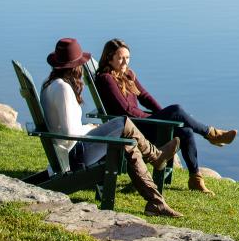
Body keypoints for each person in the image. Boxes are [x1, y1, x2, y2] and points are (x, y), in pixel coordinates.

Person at [40, 38, 182, 217]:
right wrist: (89, 129)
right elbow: (70, 134)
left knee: (127, 143)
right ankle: (155, 156)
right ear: (75, 66)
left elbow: (64, 127)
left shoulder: (49, 83)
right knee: (123, 123)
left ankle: (155, 202)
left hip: (66, 152)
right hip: (74, 157)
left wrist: (88, 126)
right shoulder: (63, 89)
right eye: (80, 65)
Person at [95, 38, 236, 196]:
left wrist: (165, 117)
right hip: (132, 128)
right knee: (176, 109)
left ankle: (195, 179)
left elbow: (145, 97)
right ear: (109, 57)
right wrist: (162, 118)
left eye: (127, 58)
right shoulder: (106, 79)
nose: (125, 62)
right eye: (120, 58)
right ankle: (212, 134)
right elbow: (126, 110)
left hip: (141, 123)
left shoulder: (127, 74)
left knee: (186, 131)